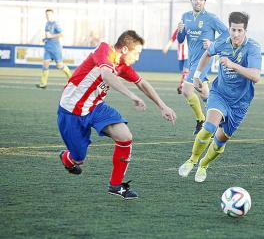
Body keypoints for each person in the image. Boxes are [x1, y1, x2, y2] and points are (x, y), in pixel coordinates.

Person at [57, 30, 177, 199]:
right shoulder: (104, 49)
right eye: (137, 53)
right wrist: (132, 96)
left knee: (125, 136)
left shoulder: (123, 66)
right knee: (78, 158)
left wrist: (162, 106)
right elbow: (106, 75)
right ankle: (67, 158)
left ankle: (116, 185)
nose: (138, 58)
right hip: (72, 111)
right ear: (126, 50)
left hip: (96, 107)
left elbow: (142, 83)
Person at [178, 12, 262, 182]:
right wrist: (197, 76)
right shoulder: (222, 42)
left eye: (240, 30)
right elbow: (207, 54)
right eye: (233, 30)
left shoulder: (253, 47)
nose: (236, 34)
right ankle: (192, 160)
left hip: (240, 103)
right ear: (229, 28)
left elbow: (255, 76)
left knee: (220, 141)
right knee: (209, 126)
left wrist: (233, 65)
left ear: (245, 30)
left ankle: (203, 165)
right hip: (220, 94)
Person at [177, 0, 228, 135]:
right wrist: (180, 31)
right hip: (192, 61)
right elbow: (181, 40)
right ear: (191, 1)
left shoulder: (211, 18)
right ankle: (220, 117)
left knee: (186, 90)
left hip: (204, 59)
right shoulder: (185, 16)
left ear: (204, 2)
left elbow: (226, 34)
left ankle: (201, 120)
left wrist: (213, 43)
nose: (198, 1)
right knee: (204, 93)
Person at [36, 9, 72, 89]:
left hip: (55, 48)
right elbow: (48, 35)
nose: (48, 16)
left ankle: (72, 79)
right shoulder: (47, 24)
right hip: (48, 47)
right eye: (46, 15)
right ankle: (43, 84)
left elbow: (62, 34)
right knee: (45, 64)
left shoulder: (56, 24)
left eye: (49, 14)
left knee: (60, 66)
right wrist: (45, 39)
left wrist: (51, 36)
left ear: (52, 15)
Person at [163, 28, 189, 94]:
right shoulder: (179, 29)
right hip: (180, 55)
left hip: (188, 55)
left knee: (185, 72)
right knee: (183, 72)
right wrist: (167, 47)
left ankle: (182, 86)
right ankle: (183, 85)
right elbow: (173, 38)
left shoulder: (191, 28)